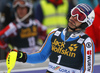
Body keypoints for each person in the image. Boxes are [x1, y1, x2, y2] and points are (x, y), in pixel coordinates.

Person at [7, 3, 95, 73]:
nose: (74, 17)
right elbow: (41, 56)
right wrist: (22, 56)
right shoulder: (54, 33)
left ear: (85, 23)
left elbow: (87, 70)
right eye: (74, 12)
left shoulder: (86, 42)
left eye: (80, 17)